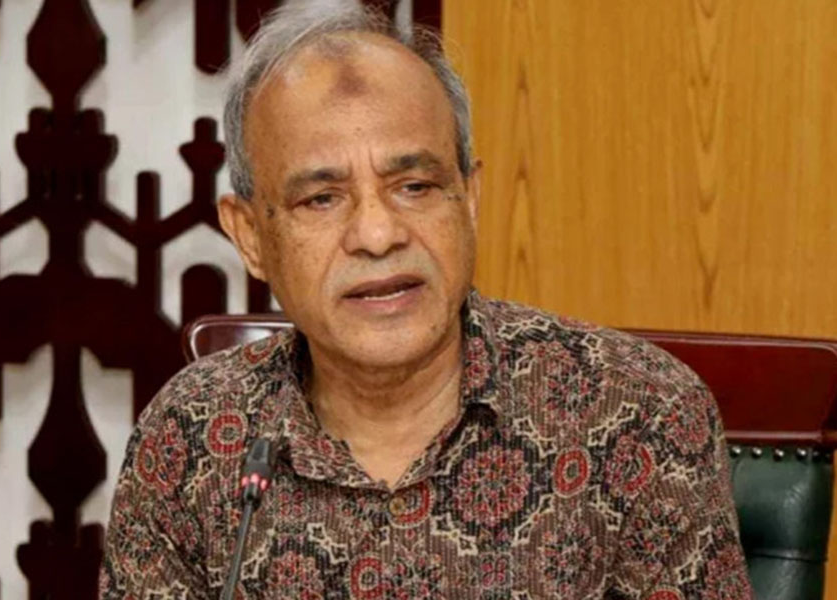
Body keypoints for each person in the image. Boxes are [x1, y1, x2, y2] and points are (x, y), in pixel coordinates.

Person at [100, 2, 751, 598]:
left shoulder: (638, 414)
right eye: (321, 199)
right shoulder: (192, 435)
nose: (378, 234)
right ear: (250, 236)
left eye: (414, 186)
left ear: (469, 200)